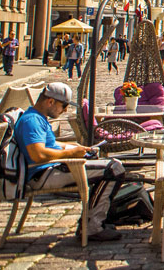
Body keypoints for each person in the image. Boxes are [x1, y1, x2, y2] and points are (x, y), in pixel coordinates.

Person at [13, 82, 124, 241]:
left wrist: (74, 146)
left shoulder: (37, 117)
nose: (65, 110)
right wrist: (71, 153)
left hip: (49, 169)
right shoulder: (32, 121)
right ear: (50, 102)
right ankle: (91, 226)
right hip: (44, 173)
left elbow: (50, 144)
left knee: (104, 166)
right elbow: (38, 154)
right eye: (63, 106)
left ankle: (93, 220)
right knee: (114, 169)